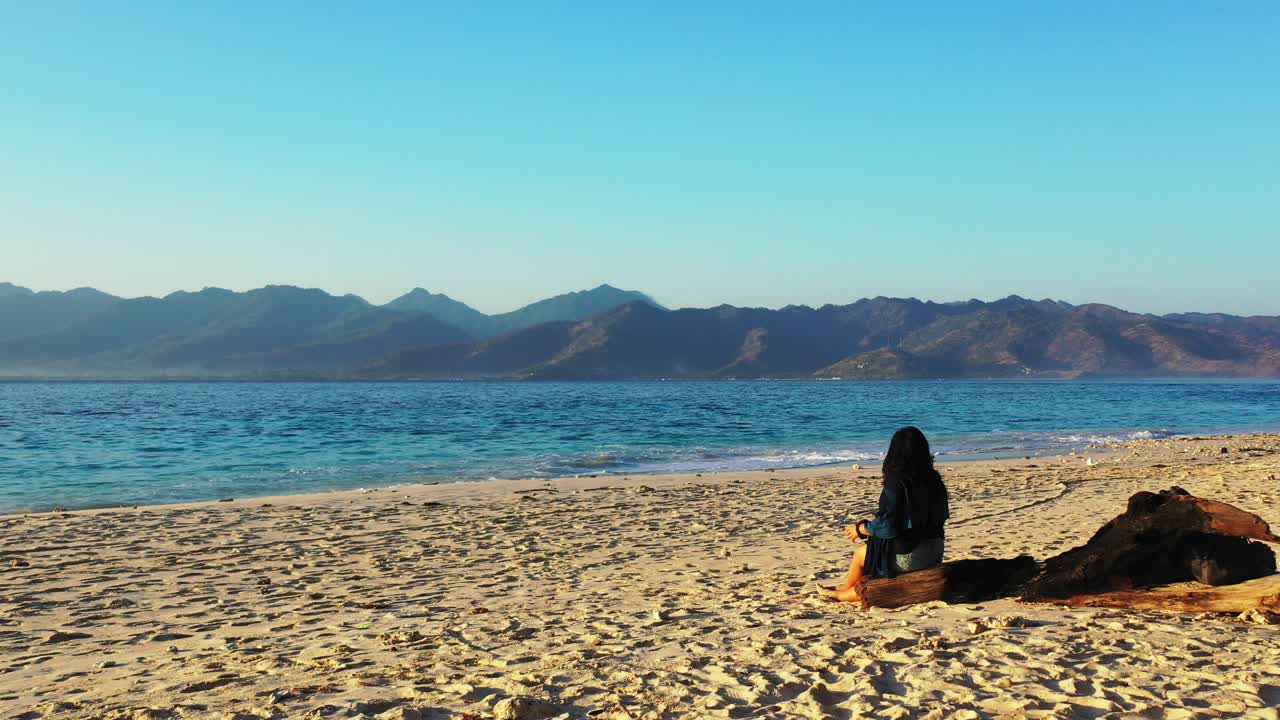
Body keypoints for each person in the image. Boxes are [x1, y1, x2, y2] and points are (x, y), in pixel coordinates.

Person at [819, 426, 950, 603]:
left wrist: (862, 529)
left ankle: (842, 593)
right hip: (935, 550)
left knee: (860, 554)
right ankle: (844, 589)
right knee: (872, 549)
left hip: (911, 555)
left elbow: (889, 525)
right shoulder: (934, 479)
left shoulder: (897, 481)